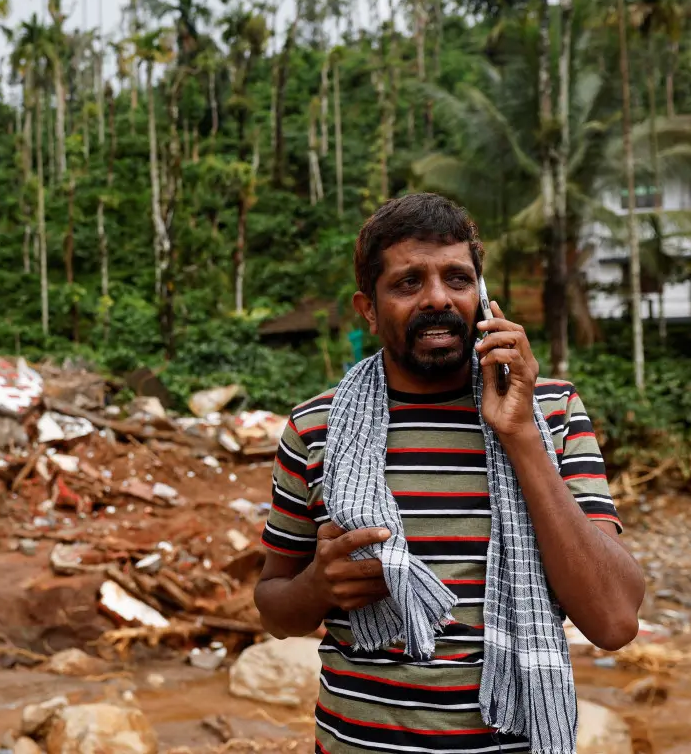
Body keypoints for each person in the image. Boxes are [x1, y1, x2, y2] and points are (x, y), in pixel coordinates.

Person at [255, 193, 644, 754]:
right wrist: (317, 586)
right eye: (409, 282)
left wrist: (521, 436)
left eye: (457, 279)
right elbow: (273, 608)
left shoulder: (552, 413)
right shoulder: (316, 428)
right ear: (368, 306)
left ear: (482, 296)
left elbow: (614, 622)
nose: (437, 298)